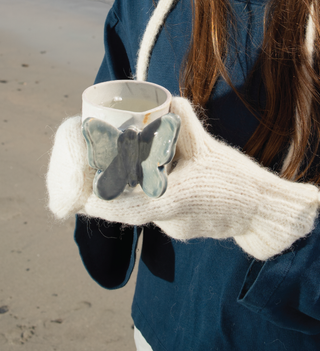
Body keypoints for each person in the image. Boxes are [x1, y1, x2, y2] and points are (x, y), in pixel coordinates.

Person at [46, 0, 320, 349]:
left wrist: (261, 213)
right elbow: (108, 249)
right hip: (160, 329)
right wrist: (84, 180)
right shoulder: (142, 7)